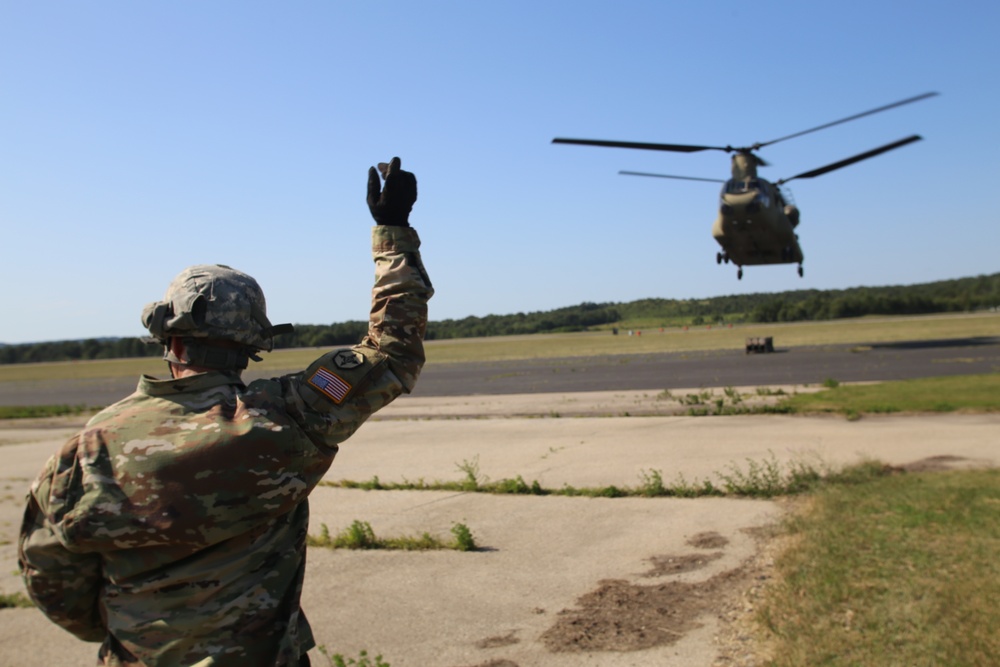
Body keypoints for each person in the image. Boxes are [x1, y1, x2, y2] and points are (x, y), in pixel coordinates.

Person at [18, 157, 433, 667]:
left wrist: (132, 631)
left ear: (166, 337)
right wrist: (391, 231)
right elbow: (392, 350)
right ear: (254, 343)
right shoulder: (288, 418)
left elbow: (48, 574)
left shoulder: (88, 449)